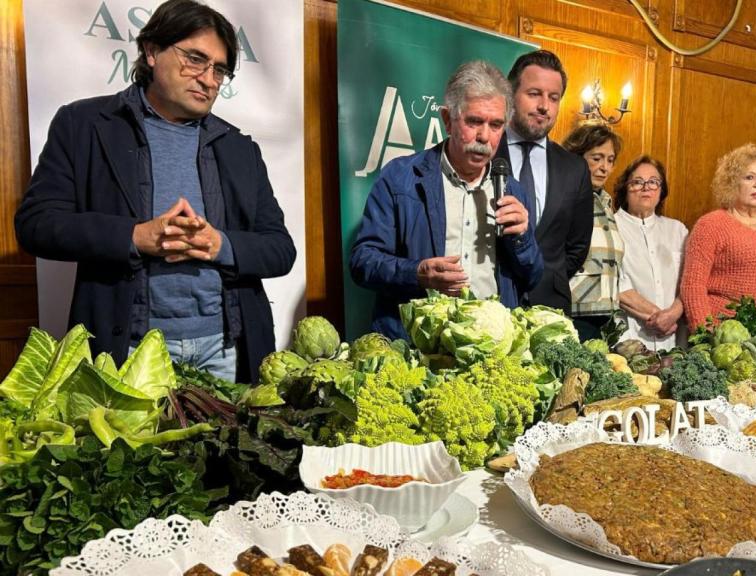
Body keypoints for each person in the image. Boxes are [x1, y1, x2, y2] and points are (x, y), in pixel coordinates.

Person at [14, 0, 295, 383]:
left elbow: (280, 249)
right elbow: (37, 225)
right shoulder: (84, 124)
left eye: (219, 69)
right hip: (127, 349)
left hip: (226, 350)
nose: (209, 80)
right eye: (195, 59)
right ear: (151, 51)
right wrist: (135, 237)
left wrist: (219, 245)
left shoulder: (240, 148)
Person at [349, 60, 544, 339]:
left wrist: (522, 239)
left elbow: (532, 278)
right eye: (474, 121)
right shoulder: (400, 178)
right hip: (420, 346)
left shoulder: (513, 190)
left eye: (495, 125)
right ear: (447, 120)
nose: (484, 136)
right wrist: (417, 273)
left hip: (491, 347)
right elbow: (363, 261)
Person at [498, 50, 592, 315]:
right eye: (534, 93)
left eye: (553, 97)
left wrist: (547, 279)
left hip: (549, 309)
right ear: (510, 95)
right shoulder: (485, 152)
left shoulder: (575, 168)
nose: (544, 106)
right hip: (491, 305)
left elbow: (576, 248)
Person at [681, 144, 756, 331]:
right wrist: (707, 333)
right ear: (732, 182)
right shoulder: (710, 225)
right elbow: (693, 285)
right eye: (749, 177)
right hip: (724, 331)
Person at [613, 156, 688, 350]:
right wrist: (659, 318)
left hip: (675, 341)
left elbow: (691, 282)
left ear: (661, 191)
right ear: (625, 189)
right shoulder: (611, 227)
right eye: (637, 182)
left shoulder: (678, 230)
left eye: (653, 182)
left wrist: (672, 315)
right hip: (631, 339)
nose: (646, 188)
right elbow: (615, 284)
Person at [561, 121, 625, 340]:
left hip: (606, 316)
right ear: (577, 157)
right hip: (574, 315)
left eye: (610, 160)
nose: (604, 167)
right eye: (596, 158)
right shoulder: (566, 198)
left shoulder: (606, 202)